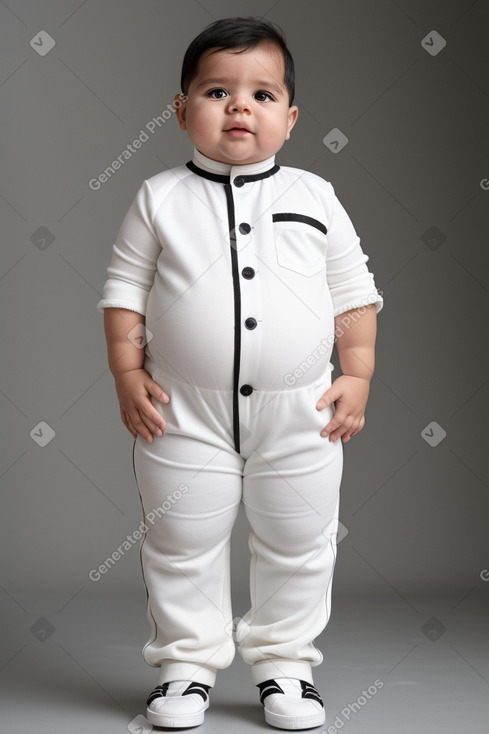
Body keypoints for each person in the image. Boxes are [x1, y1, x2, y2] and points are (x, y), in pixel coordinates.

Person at [97, 16, 383, 731]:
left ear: (288, 118)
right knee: (180, 537)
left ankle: (285, 665)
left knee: (299, 537)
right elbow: (124, 291)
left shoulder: (317, 196)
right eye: (216, 91)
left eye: (261, 94)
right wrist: (127, 373)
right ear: (181, 109)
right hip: (181, 412)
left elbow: (353, 294)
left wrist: (359, 375)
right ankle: (185, 667)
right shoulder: (157, 197)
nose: (238, 107)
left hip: (301, 411)